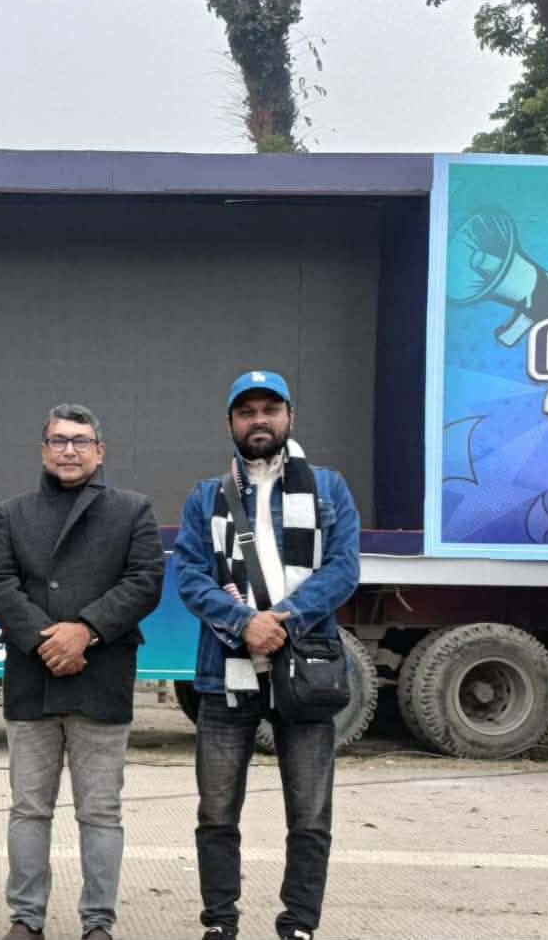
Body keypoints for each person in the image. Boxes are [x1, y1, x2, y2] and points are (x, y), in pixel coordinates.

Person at [170, 370, 360, 940]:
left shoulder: (329, 489)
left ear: (289, 418)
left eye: (269, 410)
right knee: (216, 812)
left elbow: (344, 568)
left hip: (305, 672)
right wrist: (244, 624)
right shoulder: (206, 496)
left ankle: (298, 925)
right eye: (246, 411)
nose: (259, 420)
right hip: (225, 675)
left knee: (310, 814)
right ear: (230, 423)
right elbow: (191, 576)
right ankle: (220, 923)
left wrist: (284, 622)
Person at [0, 404, 165, 940]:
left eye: (80, 441)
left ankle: (98, 923)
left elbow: (145, 581)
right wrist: (49, 640)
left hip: (101, 677)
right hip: (31, 677)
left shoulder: (133, 510)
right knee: (29, 809)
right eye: (58, 441)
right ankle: (26, 919)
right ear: (43, 450)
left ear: (99, 451)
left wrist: (85, 631)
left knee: (101, 812)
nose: (69, 450)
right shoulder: (12, 513)